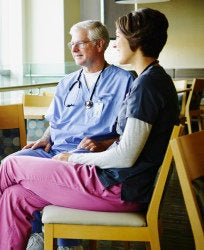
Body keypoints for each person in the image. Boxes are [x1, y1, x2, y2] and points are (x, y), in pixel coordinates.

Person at [0, 8, 178, 249]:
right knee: (14, 197)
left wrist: (73, 158)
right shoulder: (151, 80)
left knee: (10, 164)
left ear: (136, 41)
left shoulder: (146, 85)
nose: (115, 44)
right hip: (113, 182)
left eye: (119, 37)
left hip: (116, 187)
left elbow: (125, 156)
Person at [15, 20, 135, 250]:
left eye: (80, 43)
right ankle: (37, 233)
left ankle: (67, 243)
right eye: (72, 44)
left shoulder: (125, 81)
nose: (73, 49)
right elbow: (55, 121)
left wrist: (105, 142)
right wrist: (45, 138)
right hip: (55, 152)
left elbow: (130, 134)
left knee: (46, 176)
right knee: (14, 162)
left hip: (87, 157)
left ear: (100, 44)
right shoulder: (67, 82)